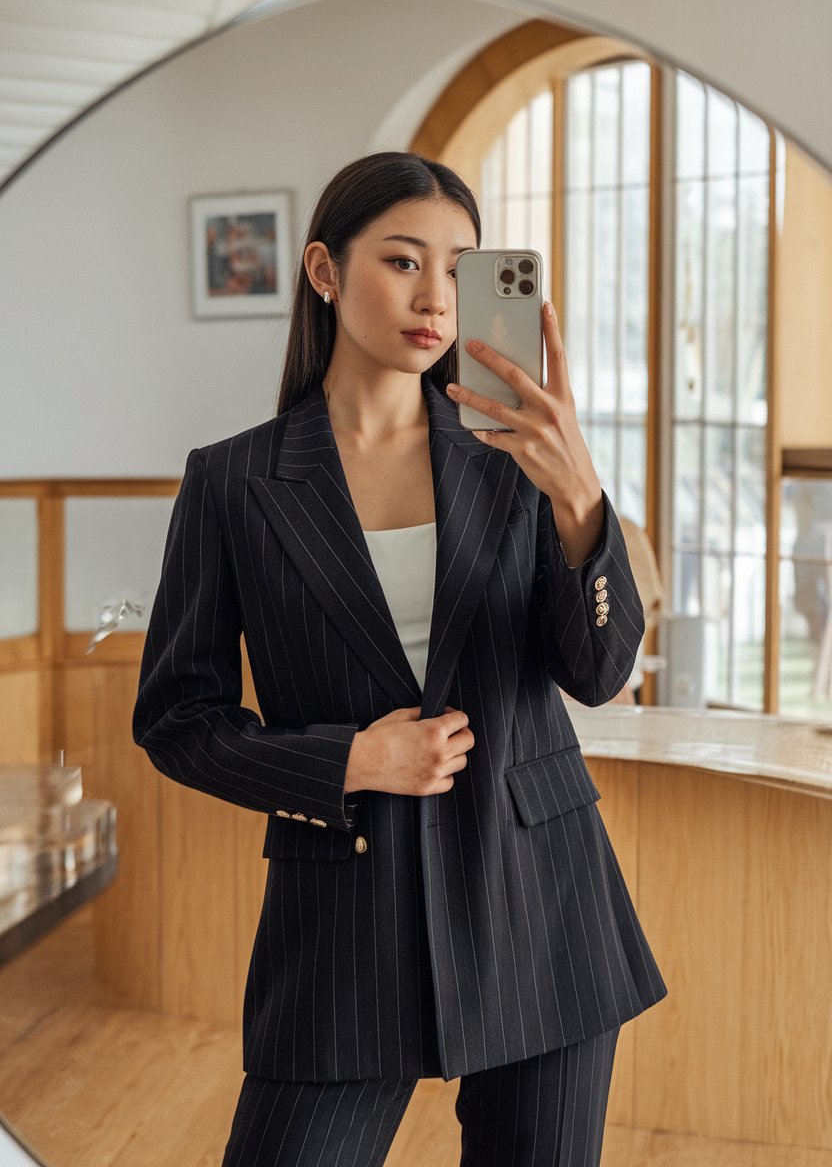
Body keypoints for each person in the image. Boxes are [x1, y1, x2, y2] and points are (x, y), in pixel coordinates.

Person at [132, 151, 668, 1166]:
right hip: (346, 915)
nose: (436, 298)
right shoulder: (233, 483)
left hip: (537, 905)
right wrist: (348, 761)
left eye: (460, 269)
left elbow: (597, 673)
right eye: (402, 261)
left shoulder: (513, 458)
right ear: (324, 272)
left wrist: (580, 500)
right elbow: (176, 720)